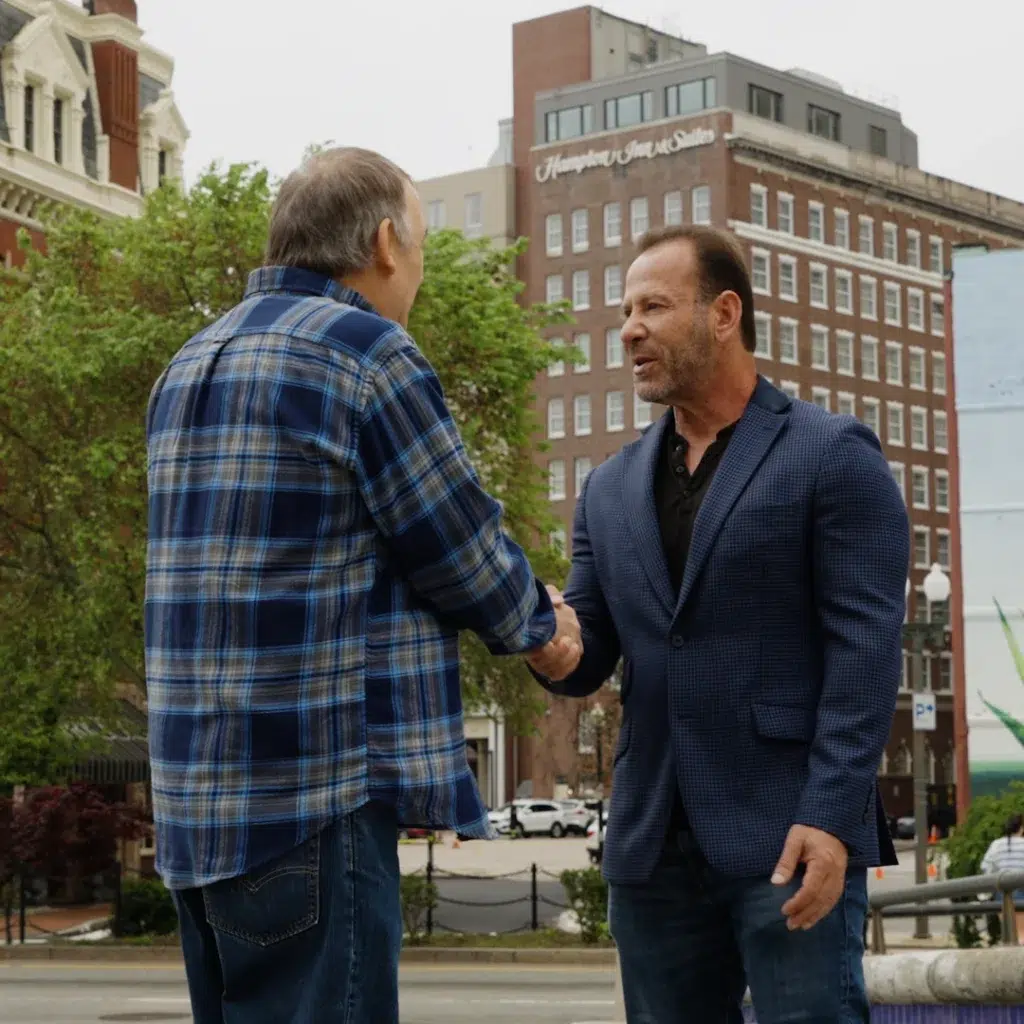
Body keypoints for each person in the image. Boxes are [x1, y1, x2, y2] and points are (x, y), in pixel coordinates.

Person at [145, 147, 581, 1024]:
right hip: (312, 804)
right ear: (385, 242)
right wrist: (545, 626)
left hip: (194, 817)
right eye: (417, 249)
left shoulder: (187, 364)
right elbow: (454, 540)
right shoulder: (367, 353)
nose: (415, 275)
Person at [528, 224, 908, 1023]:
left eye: (653, 307)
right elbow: (589, 650)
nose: (629, 328)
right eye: (626, 310)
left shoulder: (834, 454)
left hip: (789, 837)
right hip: (652, 846)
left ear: (724, 313)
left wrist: (830, 818)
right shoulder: (608, 487)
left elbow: (865, 655)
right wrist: (546, 636)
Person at [981, 813, 1024, 942]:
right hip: (1022, 890)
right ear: (1021, 828)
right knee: (1022, 933)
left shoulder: (996, 845)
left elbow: (986, 867)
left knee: (1008, 932)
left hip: (1001, 893)